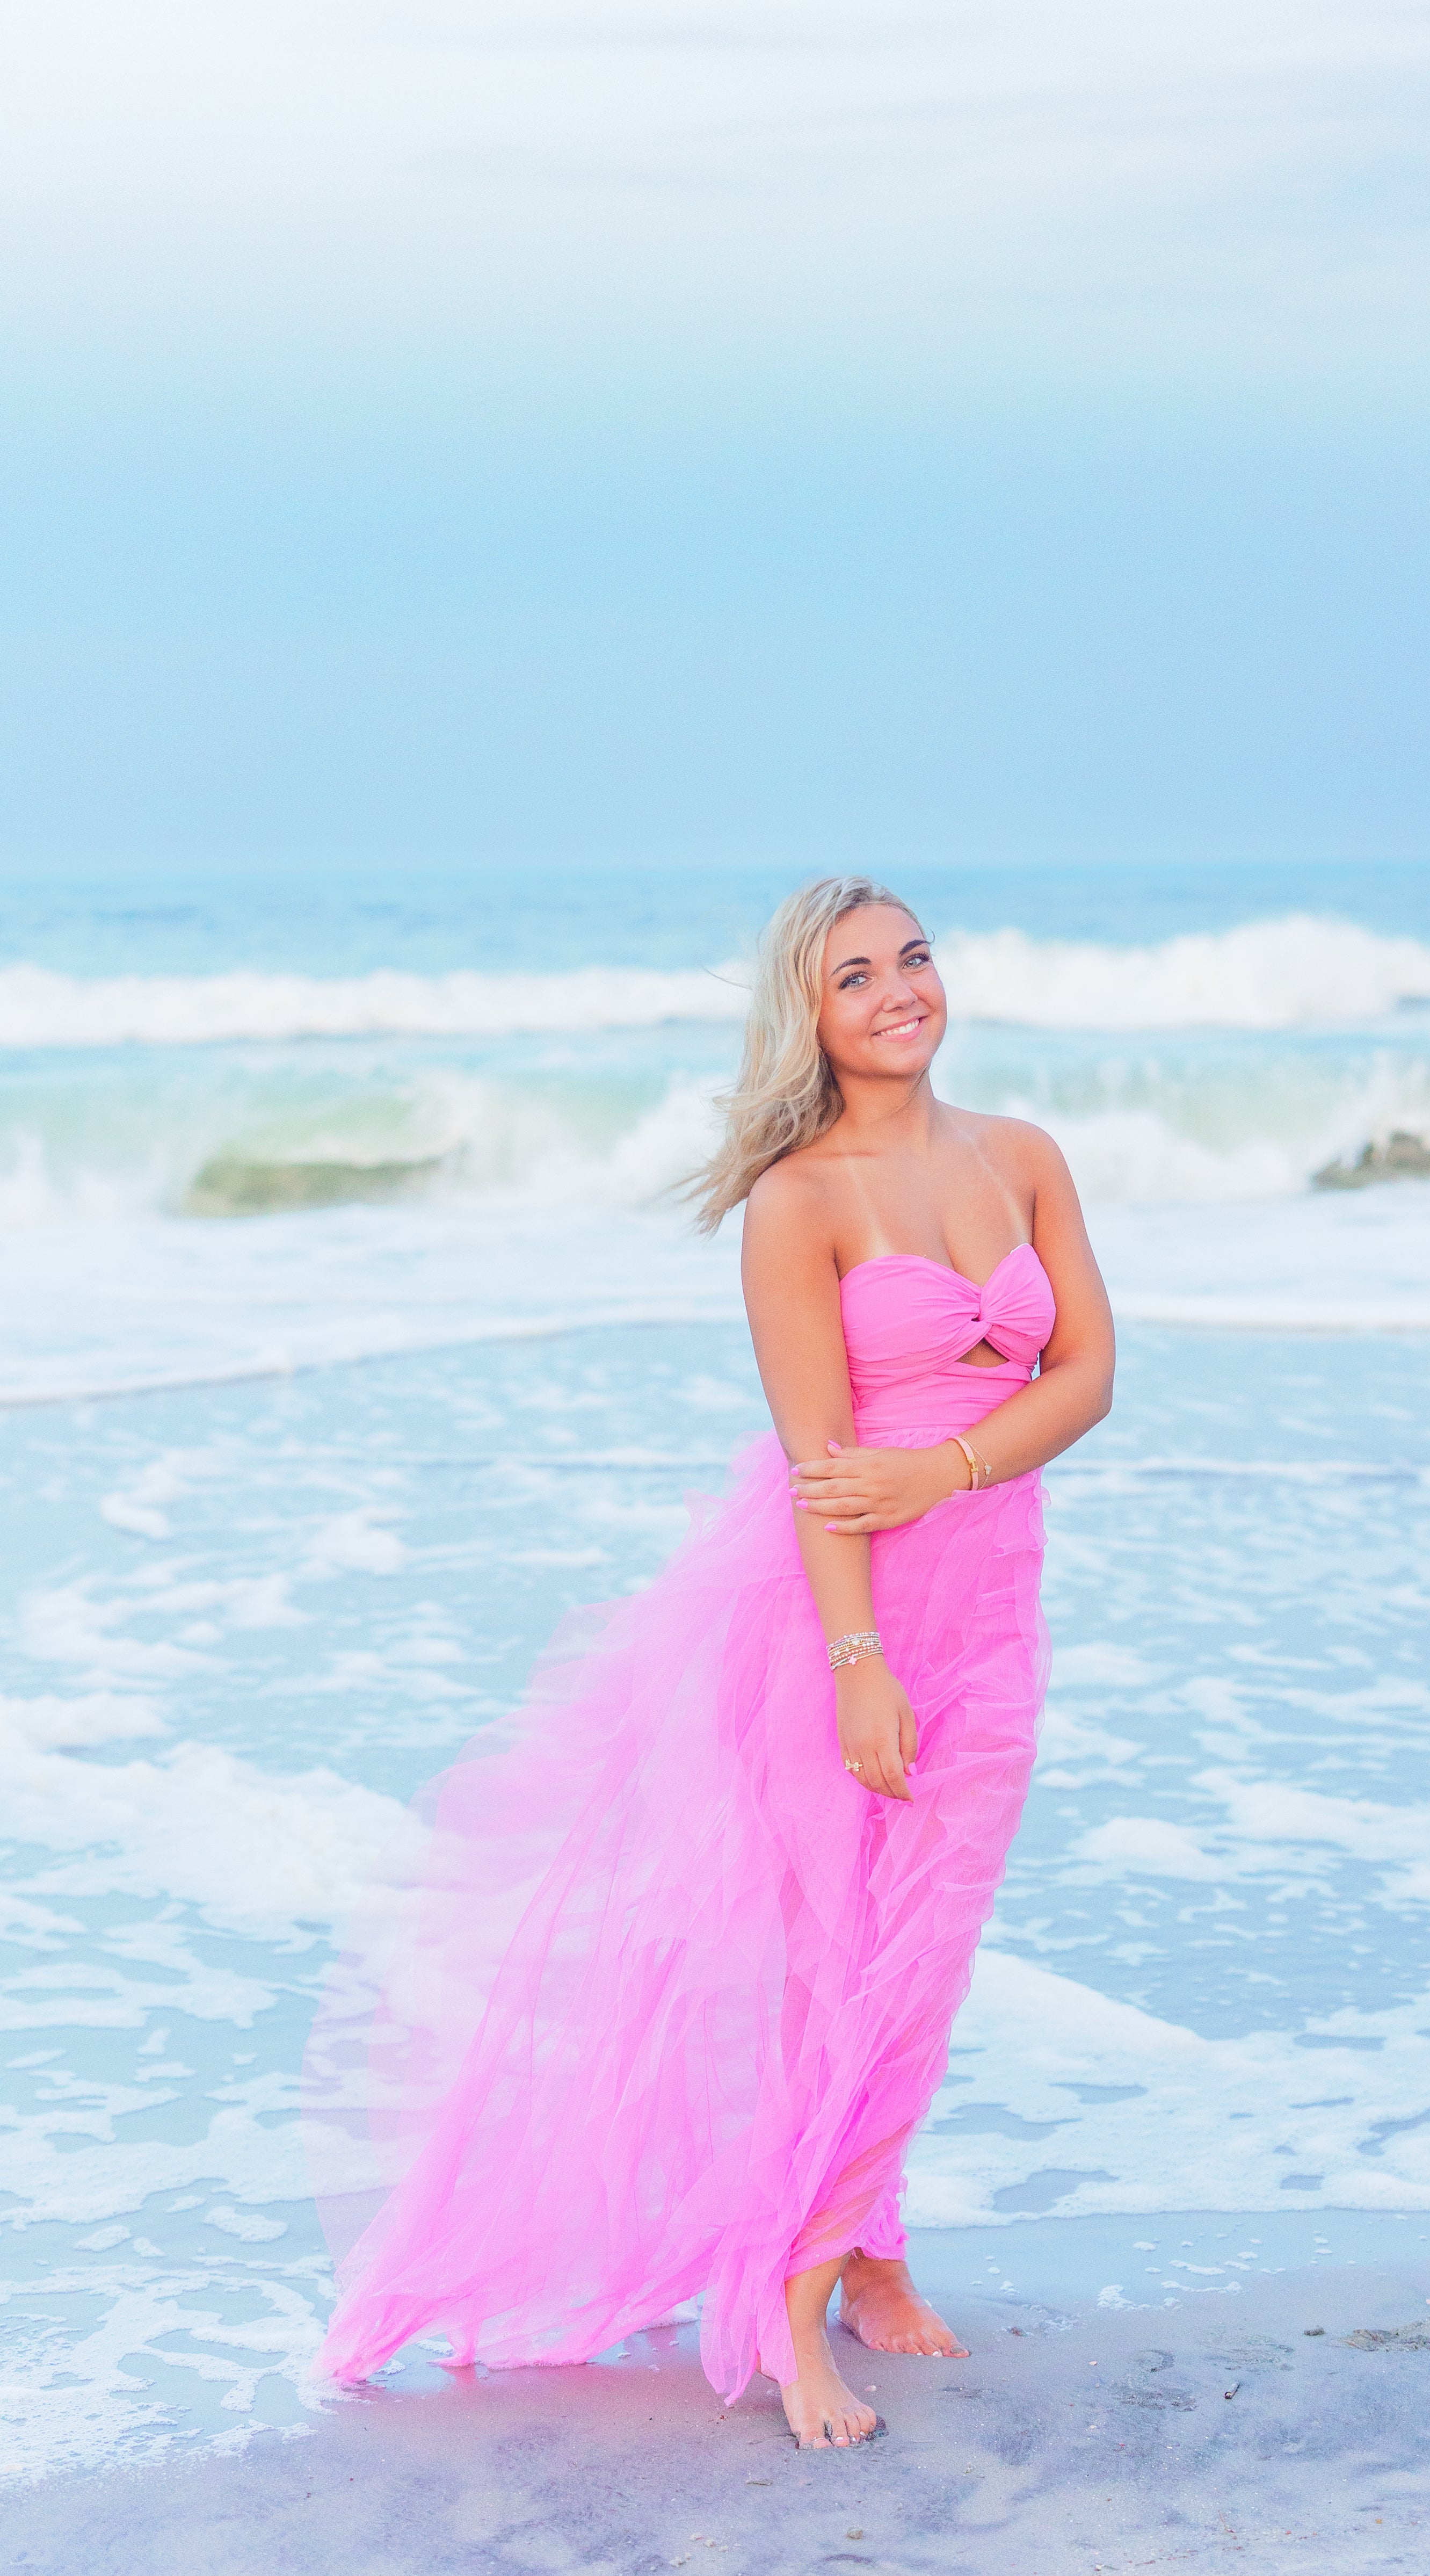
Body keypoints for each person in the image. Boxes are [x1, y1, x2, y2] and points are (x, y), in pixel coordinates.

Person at [307, 875, 1115, 2449]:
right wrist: (856, 1660)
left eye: (914, 959)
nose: (898, 991)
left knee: (927, 1944)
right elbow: (823, 1465)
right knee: (833, 1956)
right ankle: (788, 2292)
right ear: (807, 1018)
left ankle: (871, 2243)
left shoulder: (1023, 1158)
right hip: (840, 1614)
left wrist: (949, 1473)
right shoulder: (800, 1200)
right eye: (855, 976)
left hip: (995, 1599)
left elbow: (1087, 1374)